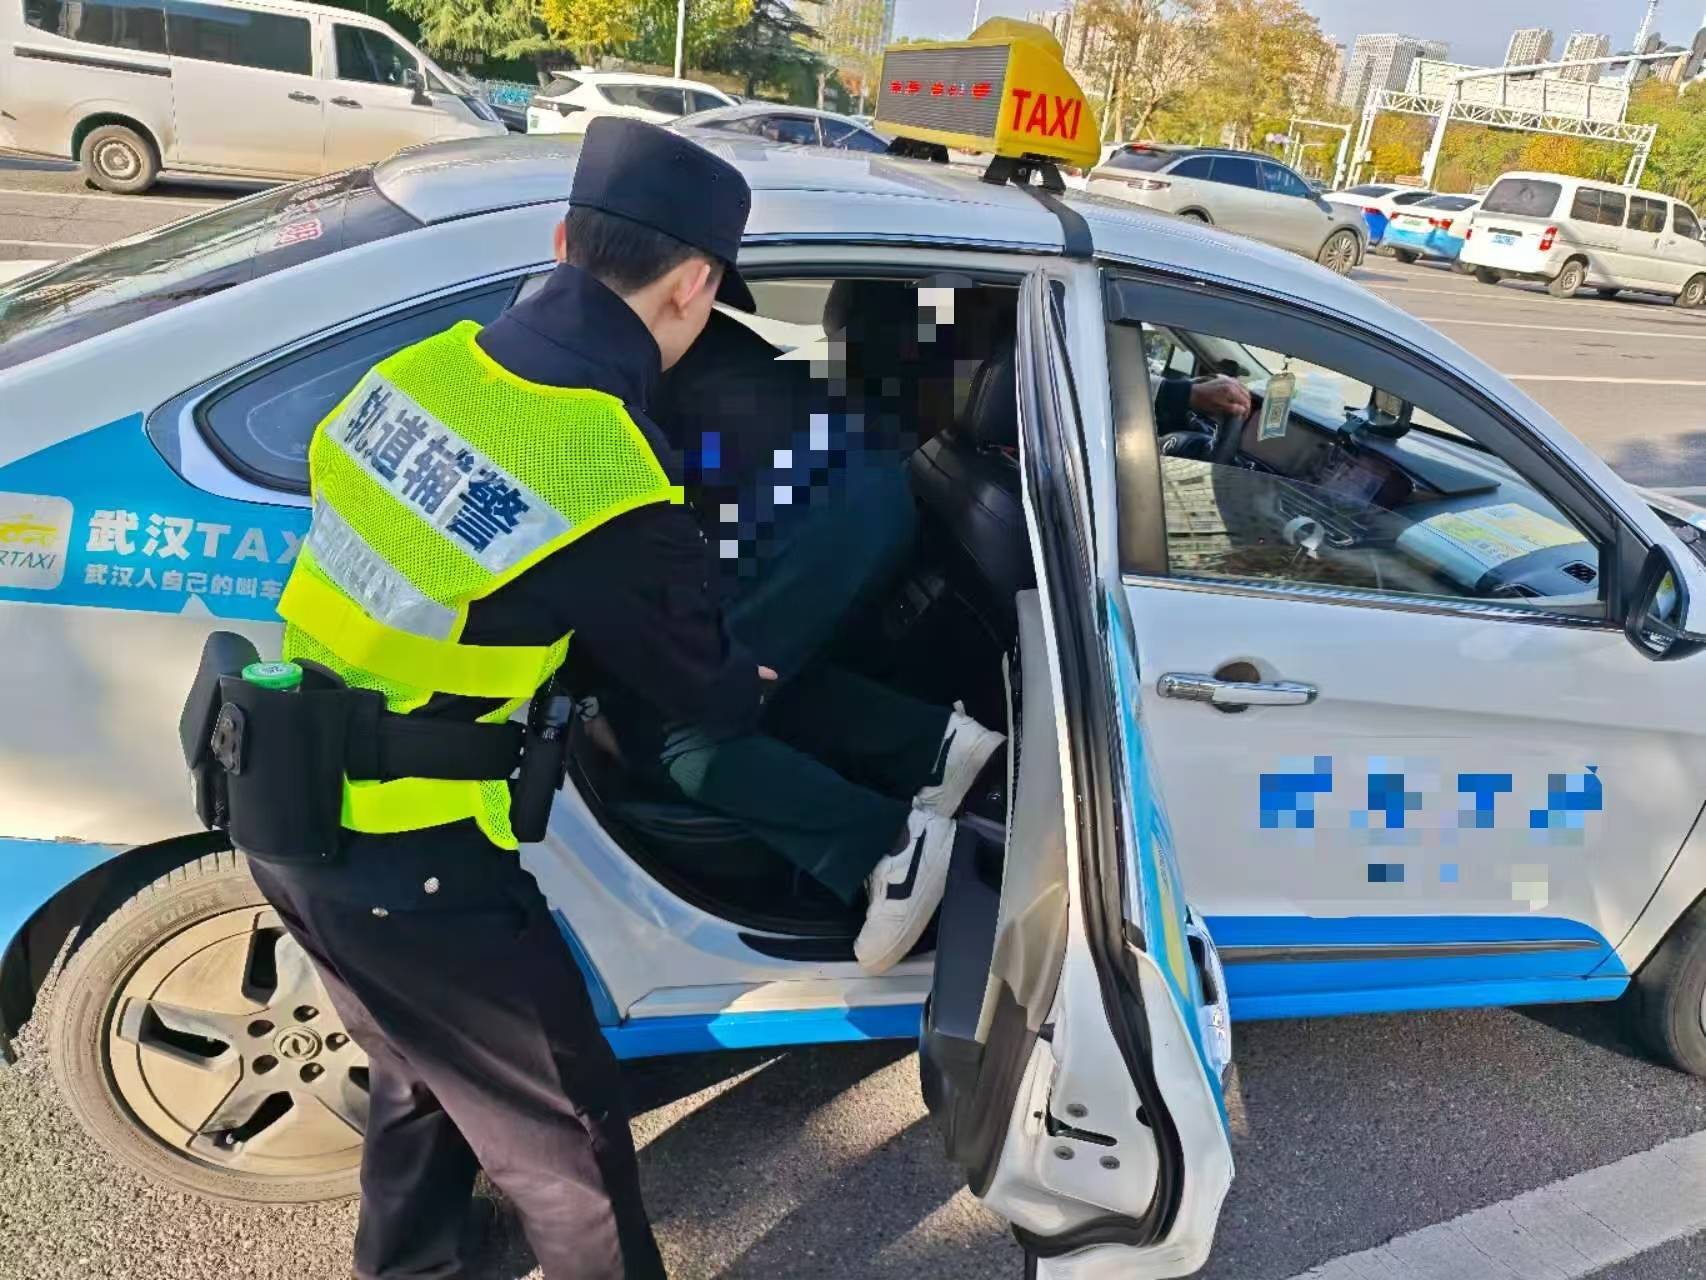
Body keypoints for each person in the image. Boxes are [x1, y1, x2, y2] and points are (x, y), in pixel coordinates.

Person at [245, 118, 776, 1280]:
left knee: (419, 1067)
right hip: (416, 859)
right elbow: (699, 683)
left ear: (563, 240)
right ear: (694, 285)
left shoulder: (420, 369)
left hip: (287, 803)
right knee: (566, 1147)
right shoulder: (602, 465)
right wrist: (751, 676)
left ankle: (408, 1263)